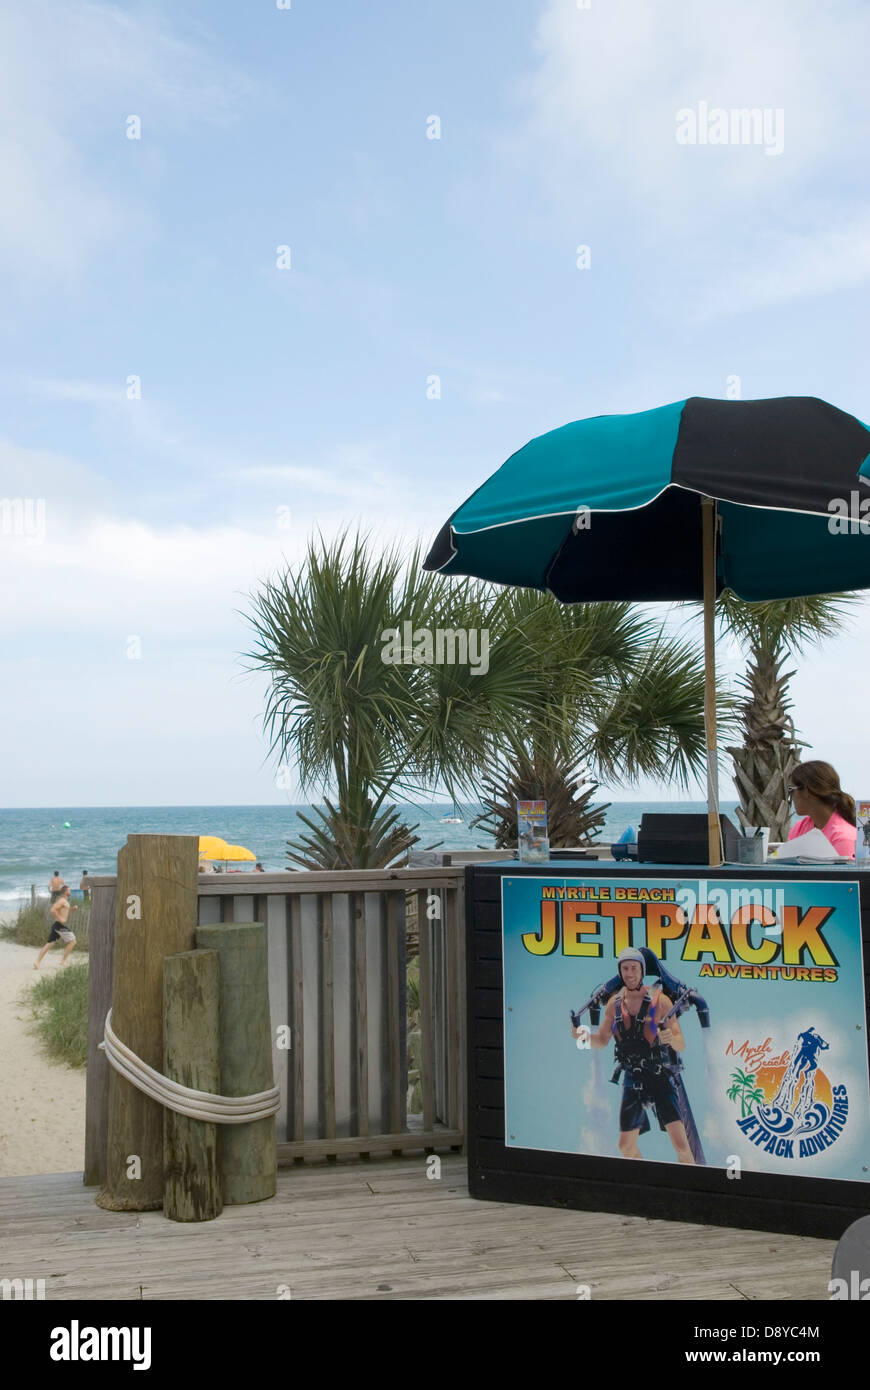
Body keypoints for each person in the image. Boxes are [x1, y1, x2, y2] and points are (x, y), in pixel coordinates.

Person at [572, 948, 695, 1164]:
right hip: (633, 1078)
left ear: (642, 971)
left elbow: (680, 1042)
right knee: (625, 1146)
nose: (629, 974)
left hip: (659, 1077)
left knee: (682, 1145)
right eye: (625, 968)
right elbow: (601, 1040)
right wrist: (581, 1036)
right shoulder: (614, 1004)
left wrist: (669, 1038)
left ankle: (690, 1180)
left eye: (634, 968)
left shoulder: (661, 1001)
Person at [788, 761, 857, 858]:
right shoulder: (800, 828)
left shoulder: (843, 838)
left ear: (806, 791)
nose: (790, 796)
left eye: (791, 790)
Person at [34, 886, 78, 969]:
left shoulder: (65, 901)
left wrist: (72, 909)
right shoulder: (62, 901)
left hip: (57, 925)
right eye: (69, 890)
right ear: (65, 892)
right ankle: (63, 961)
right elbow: (53, 910)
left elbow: (65, 911)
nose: (70, 891)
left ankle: (37, 962)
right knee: (73, 941)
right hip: (59, 925)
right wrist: (60, 918)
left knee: (49, 944)